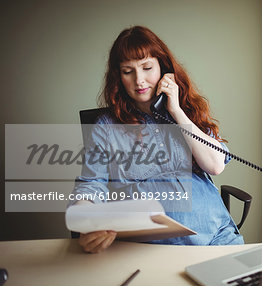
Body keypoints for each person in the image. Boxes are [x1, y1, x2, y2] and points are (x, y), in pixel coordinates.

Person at [72, 26, 243, 253]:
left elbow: (215, 165)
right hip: (151, 249)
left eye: (147, 68)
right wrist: (85, 222)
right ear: (118, 76)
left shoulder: (187, 110)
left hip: (217, 239)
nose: (139, 80)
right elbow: (91, 184)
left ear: (163, 67)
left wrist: (176, 111)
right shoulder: (106, 126)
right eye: (127, 71)